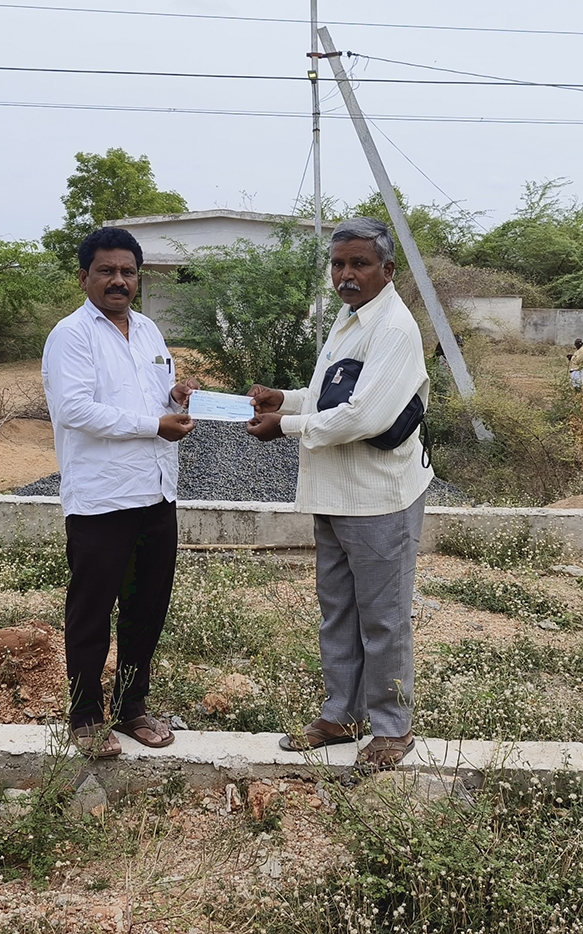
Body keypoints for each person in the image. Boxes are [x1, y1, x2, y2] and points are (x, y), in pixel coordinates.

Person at [246, 217, 431, 773]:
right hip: (334, 493)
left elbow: (364, 415)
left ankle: (393, 728)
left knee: (384, 619)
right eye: (338, 264)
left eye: (359, 264)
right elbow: (330, 395)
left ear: (387, 270)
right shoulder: (349, 319)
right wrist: (286, 399)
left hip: (378, 499)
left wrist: (286, 426)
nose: (346, 274)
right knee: (339, 612)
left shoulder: (393, 329)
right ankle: (342, 715)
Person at [41, 226, 197, 759]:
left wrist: (174, 395)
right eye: (106, 271)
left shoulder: (149, 330)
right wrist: (155, 425)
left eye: (128, 272)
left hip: (156, 492)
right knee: (92, 610)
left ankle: (132, 708)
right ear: (84, 277)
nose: (118, 281)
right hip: (103, 498)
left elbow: (154, 397)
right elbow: (75, 410)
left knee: (145, 608)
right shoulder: (71, 335)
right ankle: (85, 716)